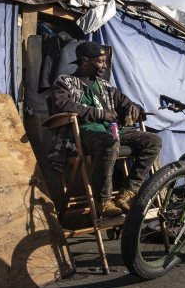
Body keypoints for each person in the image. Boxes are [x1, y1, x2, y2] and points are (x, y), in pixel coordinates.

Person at [50, 41, 162, 218]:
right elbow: (62, 105)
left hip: (112, 130)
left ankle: (128, 192)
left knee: (153, 141)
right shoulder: (65, 81)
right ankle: (103, 201)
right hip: (83, 132)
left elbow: (125, 103)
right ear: (85, 61)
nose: (104, 65)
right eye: (100, 61)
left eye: (105, 61)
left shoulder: (106, 86)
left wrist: (134, 108)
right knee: (109, 142)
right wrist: (100, 114)